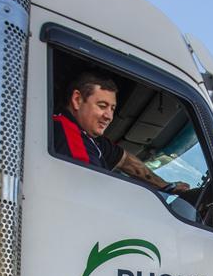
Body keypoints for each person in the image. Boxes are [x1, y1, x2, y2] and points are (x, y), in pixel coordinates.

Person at [53, 73, 190, 194]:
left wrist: (166, 186)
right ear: (77, 100)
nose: (109, 116)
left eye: (112, 109)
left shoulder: (90, 138)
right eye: (102, 106)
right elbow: (93, 194)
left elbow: (125, 161)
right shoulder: (69, 135)